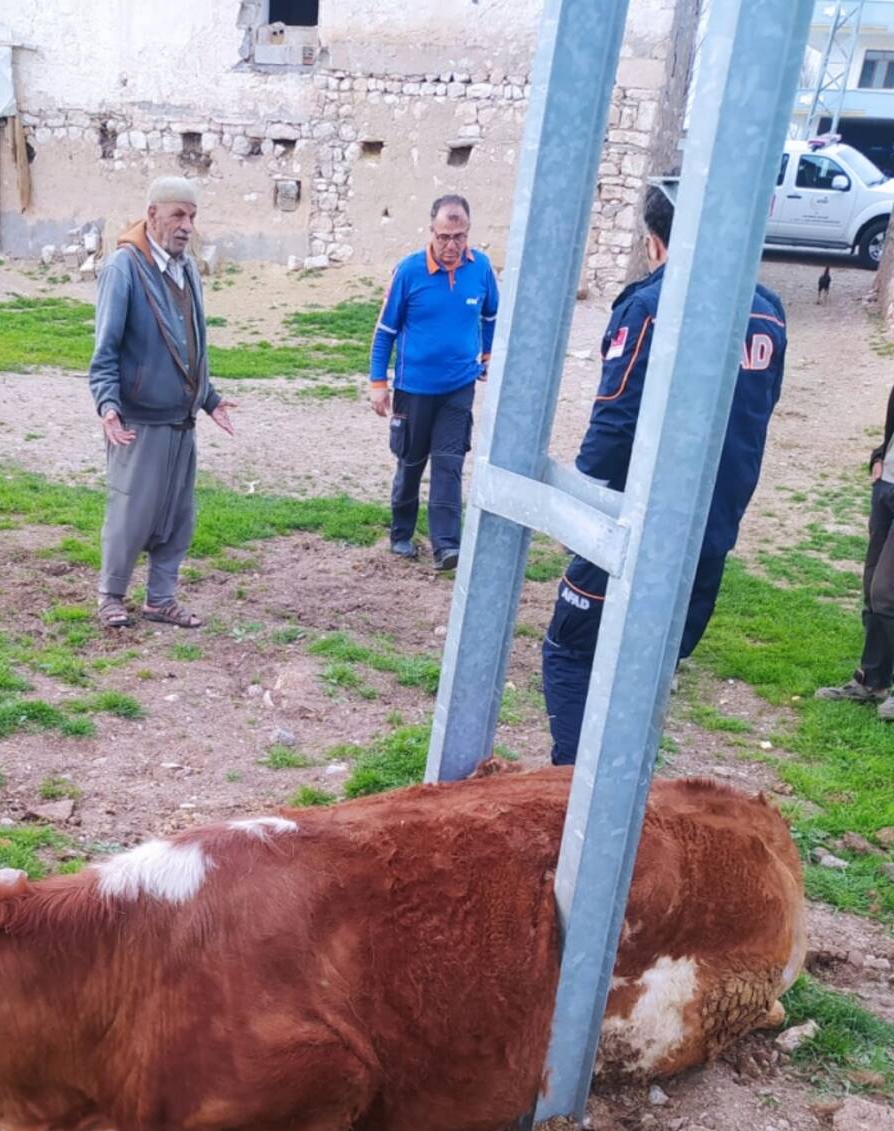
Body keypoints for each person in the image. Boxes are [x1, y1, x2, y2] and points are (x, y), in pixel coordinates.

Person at [541, 185, 787, 765]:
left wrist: (581, 508)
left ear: (655, 243)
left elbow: (612, 427)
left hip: (638, 531)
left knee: (571, 653)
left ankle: (573, 803)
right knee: (650, 667)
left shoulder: (652, 306)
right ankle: (624, 798)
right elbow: (757, 417)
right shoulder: (766, 311)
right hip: (711, 537)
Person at [89, 177, 236, 630]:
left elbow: (192, 343)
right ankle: (110, 597)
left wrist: (208, 397)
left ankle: (160, 600)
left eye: (192, 216)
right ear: (151, 214)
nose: (187, 226)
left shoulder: (186, 268)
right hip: (140, 420)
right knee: (130, 513)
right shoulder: (123, 268)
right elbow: (106, 349)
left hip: (181, 421)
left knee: (177, 518)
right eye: (178, 215)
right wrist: (108, 405)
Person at [369, 193, 499, 573]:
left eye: (459, 236)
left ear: (468, 233)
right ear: (432, 231)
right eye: (444, 236)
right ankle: (401, 534)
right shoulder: (408, 272)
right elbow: (385, 331)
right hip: (414, 388)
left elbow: (492, 315)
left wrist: (487, 355)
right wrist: (379, 382)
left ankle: (446, 545)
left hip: (459, 386)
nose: (451, 246)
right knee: (410, 462)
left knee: (449, 463)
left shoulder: (481, 268)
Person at [813, 382, 894, 721]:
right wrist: (880, 456)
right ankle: (871, 682)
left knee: (886, 591)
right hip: (888, 485)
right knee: (872, 587)